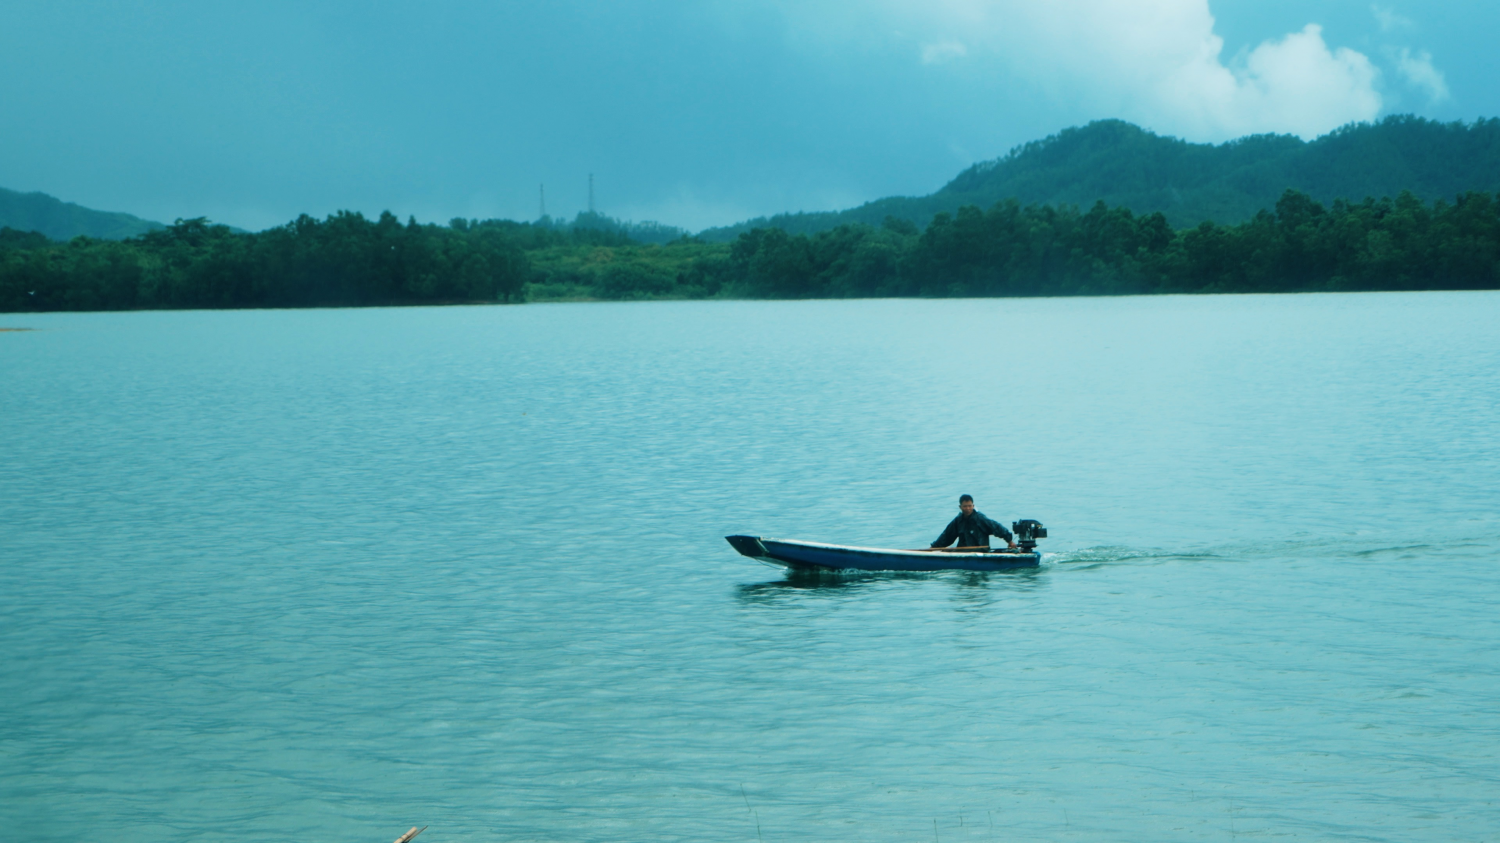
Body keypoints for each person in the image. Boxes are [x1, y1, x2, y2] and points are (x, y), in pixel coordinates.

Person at [931, 494, 1017, 550]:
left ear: (973, 506)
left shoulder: (981, 519)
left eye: (970, 506)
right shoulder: (958, 521)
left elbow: (997, 528)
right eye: (965, 506)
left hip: (980, 552)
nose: (968, 509)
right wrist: (933, 548)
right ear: (960, 507)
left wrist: (1009, 541)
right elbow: (946, 536)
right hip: (962, 552)